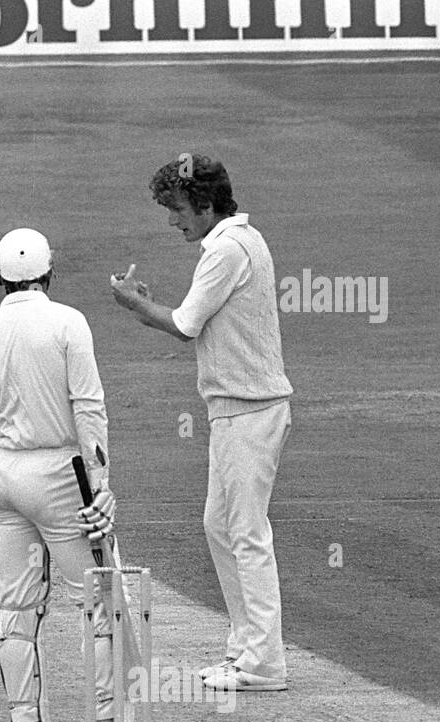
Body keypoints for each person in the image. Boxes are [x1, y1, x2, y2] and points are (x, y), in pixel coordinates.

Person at [0, 227, 169, 722]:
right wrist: (100, 485)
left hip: (3, 476)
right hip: (61, 476)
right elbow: (88, 407)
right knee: (101, 601)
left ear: (0, 277)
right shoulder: (68, 323)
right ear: (49, 273)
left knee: (14, 607)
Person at [108, 154, 293, 692]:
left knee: (247, 534)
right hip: (238, 409)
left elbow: (186, 325)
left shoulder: (227, 251)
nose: (173, 220)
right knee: (221, 526)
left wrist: (134, 305)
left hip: (249, 410)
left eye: (179, 209)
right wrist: (148, 305)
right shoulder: (238, 241)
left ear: (208, 205)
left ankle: (264, 663)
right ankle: (246, 650)